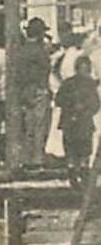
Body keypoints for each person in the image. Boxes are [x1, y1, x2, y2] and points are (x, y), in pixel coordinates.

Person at [11, 18, 54, 166]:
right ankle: (37, 158)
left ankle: (26, 158)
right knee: (40, 125)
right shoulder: (39, 51)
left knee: (28, 125)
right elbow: (45, 70)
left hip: (24, 90)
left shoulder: (21, 51)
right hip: (38, 89)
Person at [54, 54, 100, 190]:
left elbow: (96, 104)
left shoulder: (85, 84)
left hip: (81, 123)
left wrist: (83, 109)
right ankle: (75, 176)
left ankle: (81, 176)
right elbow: (59, 100)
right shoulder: (72, 84)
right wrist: (75, 108)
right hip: (74, 123)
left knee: (81, 151)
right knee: (75, 151)